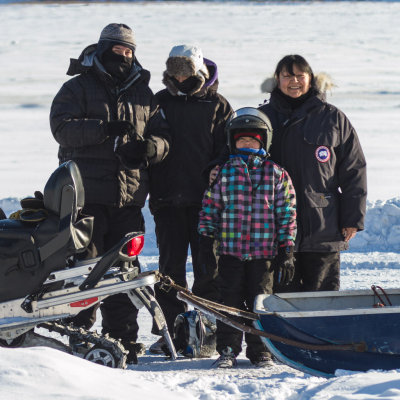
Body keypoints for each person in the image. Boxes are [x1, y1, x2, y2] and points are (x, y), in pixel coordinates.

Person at [50, 23, 170, 364]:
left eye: (128, 50)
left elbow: (164, 138)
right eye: (116, 50)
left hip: (128, 199)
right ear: (102, 50)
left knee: (122, 276)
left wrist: (149, 149)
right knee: (83, 273)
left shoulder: (145, 94)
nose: (123, 55)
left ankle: (125, 341)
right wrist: (104, 130)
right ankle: (79, 340)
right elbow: (61, 128)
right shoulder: (77, 87)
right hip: (85, 198)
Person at [209, 54, 367, 293]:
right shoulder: (263, 118)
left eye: (299, 75)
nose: (294, 81)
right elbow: (233, 150)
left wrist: (352, 218)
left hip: (323, 228)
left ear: (310, 78)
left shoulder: (333, 118)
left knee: (322, 300)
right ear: (277, 79)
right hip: (275, 231)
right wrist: (216, 169)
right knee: (282, 302)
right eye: (287, 76)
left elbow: (354, 170)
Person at [147, 44, 233, 354]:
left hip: (207, 203)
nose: (180, 80)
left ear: (198, 72)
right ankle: (171, 333)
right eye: (174, 75)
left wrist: (216, 171)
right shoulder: (159, 102)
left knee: (209, 270)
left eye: (186, 74)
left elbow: (228, 149)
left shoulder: (218, 105)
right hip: (167, 199)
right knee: (169, 272)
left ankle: (208, 329)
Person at [198, 107, 297, 368]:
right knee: (228, 300)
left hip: (264, 254)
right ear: (233, 142)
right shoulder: (224, 173)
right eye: (242, 140)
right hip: (231, 252)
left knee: (260, 301)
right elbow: (210, 208)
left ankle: (261, 350)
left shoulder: (276, 173)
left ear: (264, 141)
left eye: (253, 140)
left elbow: (286, 212)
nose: (247, 144)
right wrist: (206, 241)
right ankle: (228, 349)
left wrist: (287, 249)